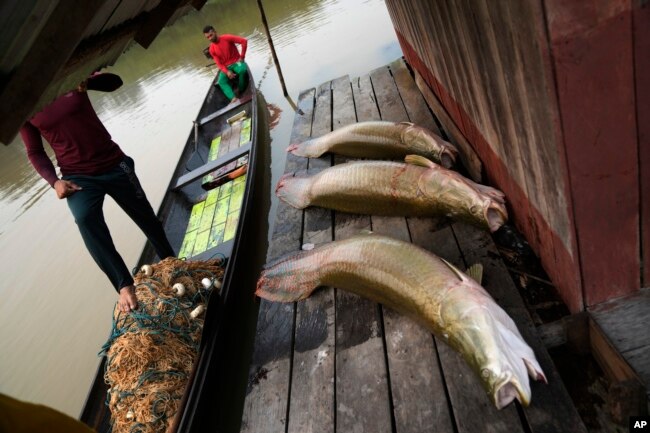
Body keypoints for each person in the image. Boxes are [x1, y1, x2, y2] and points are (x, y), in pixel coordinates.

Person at [19, 72, 175, 313]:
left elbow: (116, 82)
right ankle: (124, 285)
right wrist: (54, 182)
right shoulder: (22, 105)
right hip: (77, 177)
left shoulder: (67, 72)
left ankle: (169, 260)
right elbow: (35, 152)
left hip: (114, 164)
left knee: (145, 216)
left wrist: (88, 81)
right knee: (84, 218)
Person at [203, 25, 249, 104]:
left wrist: (242, 57)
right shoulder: (211, 49)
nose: (210, 38)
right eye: (208, 37)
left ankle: (241, 89)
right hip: (226, 67)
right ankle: (233, 98)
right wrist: (227, 71)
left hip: (236, 62)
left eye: (211, 35)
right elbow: (219, 64)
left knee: (243, 70)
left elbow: (244, 41)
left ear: (215, 32)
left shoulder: (227, 38)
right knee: (221, 81)